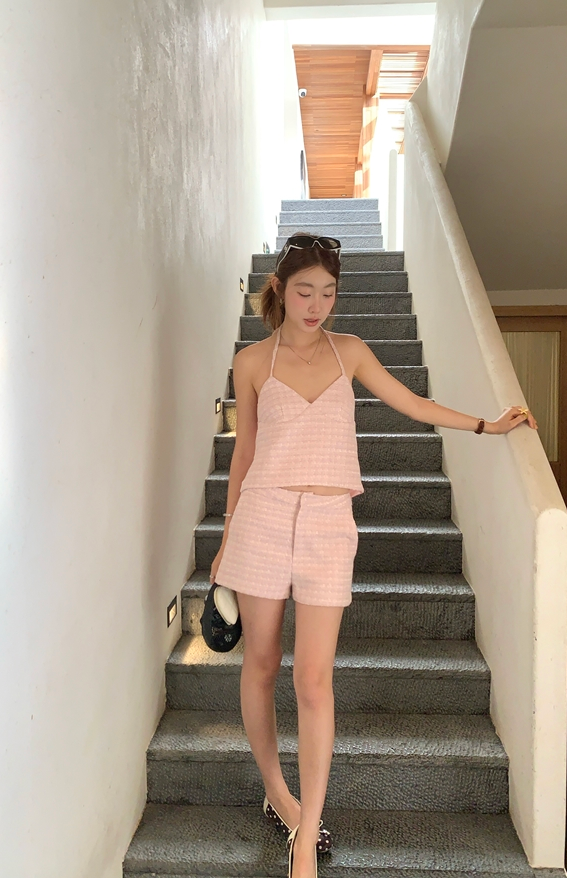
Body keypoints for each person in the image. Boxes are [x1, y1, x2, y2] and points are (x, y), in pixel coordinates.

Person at [210, 233, 537, 878]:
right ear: (280, 290)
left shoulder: (352, 351)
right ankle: (278, 793)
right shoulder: (251, 362)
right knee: (261, 664)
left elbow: (411, 403)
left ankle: (307, 836)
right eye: (304, 291)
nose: (316, 305)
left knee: (313, 680)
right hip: (261, 519)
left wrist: (486, 424)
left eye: (328, 293)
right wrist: (224, 544)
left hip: (329, 526)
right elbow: (243, 453)